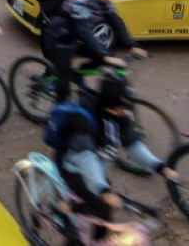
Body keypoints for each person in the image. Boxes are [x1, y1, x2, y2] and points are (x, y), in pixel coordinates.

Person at [57, 75, 180, 242]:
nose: (126, 111)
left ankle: (94, 240)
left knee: (105, 213)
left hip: (97, 168)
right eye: (122, 106)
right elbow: (85, 159)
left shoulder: (120, 118)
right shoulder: (83, 121)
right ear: (111, 104)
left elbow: (134, 147)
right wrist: (103, 190)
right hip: (74, 167)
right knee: (101, 206)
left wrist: (160, 168)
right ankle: (66, 209)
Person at [44, 0, 147, 102]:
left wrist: (132, 46)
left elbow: (116, 22)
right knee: (64, 88)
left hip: (74, 37)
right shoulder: (81, 2)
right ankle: (56, 117)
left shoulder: (105, 1)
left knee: (104, 57)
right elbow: (85, 31)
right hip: (58, 37)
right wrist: (105, 56)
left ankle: (75, 76)